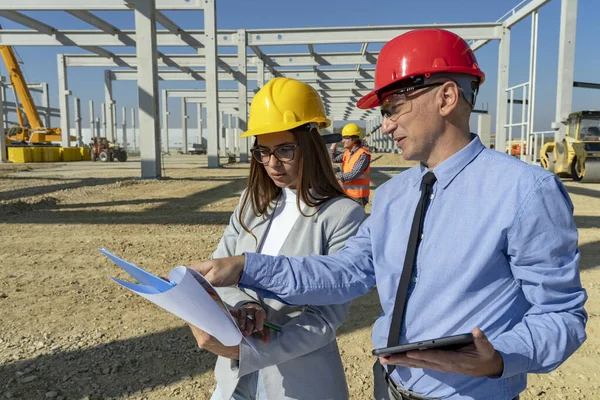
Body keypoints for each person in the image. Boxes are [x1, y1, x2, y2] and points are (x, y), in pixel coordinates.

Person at [190, 29, 588, 400]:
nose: (385, 124)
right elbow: (343, 273)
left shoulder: (524, 191)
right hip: (390, 384)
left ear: (446, 97)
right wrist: (246, 268)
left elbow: (561, 314)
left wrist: (499, 357)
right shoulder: (395, 196)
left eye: (394, 106)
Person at [188, 77, 366, 400]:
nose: (272, 163)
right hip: (235, 383)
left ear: (310, 145)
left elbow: (324, 320)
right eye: (263, 151)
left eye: (284, 149)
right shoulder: (251, 203)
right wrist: (243, 305)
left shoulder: (341, 216)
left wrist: (248, 349)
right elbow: (222, 274)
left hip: (298, 386)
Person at [331, 123, 372, 207]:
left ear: (354, 139)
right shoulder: (347, 153)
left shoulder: (362, 155)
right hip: (347, 193)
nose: (342, 141)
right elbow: (333, 159)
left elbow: (353, 175)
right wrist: (333, 147)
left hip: (358, 197)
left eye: (346, 138)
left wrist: (336, 176)